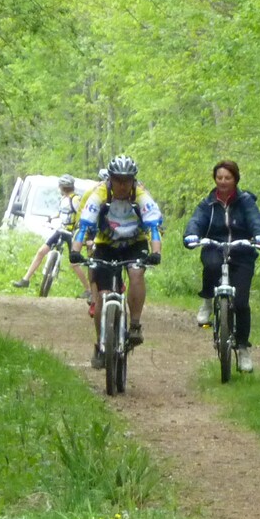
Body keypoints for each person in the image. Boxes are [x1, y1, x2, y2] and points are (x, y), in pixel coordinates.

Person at [73, 155, 163, 366]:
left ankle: (134, 325)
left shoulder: (140, 194)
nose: (122, 185)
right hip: (105, 244)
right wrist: (75, 251)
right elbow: (85, 224)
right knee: (101, 298)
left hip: (135, 243)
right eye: (117, 179)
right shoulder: (100, 194)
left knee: (136, 272)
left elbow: (152, 227)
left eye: (127, 180)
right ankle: (101, 343)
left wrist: (156, 252)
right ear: (110, 179)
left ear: (133, 180)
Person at [182, 159, 260, 372]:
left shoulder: (246, 202)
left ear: (235, 179)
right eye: (219, 177)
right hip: (215, 248)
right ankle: (207, 300)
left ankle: (242, 348)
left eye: (227, 178)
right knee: (211, 264)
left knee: (241, 303)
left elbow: (256, 221)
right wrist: (192, 235)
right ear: (215, 179)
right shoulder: (208, 204)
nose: (223, 182)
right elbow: (196, 221)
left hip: (242, 253)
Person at [12, 174, 89, 298]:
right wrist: (51, 217)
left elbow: (81, 214)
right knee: (41, 251)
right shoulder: (64, 199)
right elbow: (61, 213)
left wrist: (79, 229)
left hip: (70, 233)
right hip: (61, 230)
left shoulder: (75, 200)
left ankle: (88, 289)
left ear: (63, 187)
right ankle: (26, 279)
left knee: (74, 263)